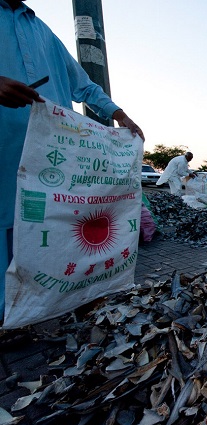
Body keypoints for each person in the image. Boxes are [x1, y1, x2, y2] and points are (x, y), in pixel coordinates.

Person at [0, 0, 143, 322]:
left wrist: (119, 115)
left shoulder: (43, 33)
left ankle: (54, 305)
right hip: (4, 149)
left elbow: (84, 85)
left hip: (52, 156)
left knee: (51, 229)